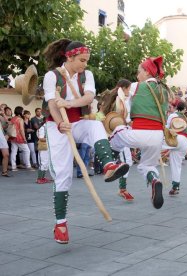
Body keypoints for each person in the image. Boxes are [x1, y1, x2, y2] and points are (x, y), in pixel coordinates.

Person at [42, 38, 129, 244]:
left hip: (77, 122)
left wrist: (69, 102)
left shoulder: (86, 75)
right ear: (69, 57)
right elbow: (52, 104)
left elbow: (89, 98)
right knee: (63, 175)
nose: (85, 64)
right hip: (56, 127)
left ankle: (109, 165)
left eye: (86, 60)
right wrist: (59, 122)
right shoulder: (51, 76)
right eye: (82, 60)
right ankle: (60, 224)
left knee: (95, 126)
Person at [109, 56, 173, 209]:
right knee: (147, 166)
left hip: (139, 132)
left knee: (116, 132)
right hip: (158, 137)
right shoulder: (165, 90)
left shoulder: (136, 86)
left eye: (139, 72)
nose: (137, 75)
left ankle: (111, 163)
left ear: (147, 72)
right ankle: (154, 181)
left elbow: (118, 94)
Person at [162, 100, 187, 195]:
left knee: (156, 142)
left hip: (177, 138)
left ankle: (147, 154)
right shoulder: (186, 119)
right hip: (185, 142)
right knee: (176, 165)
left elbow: (167, 127)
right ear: (185, 109)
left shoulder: (173, 115)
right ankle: (175, 186)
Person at [9, 106, 32, 171]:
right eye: (22, 111)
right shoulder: (20, 119)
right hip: (19, 137)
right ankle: (28, 165)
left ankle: (14, 167)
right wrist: (24, 139)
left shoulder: (13, 118)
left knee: (14, 152)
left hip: (13, 137)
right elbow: (22, 130)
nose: (23, 112)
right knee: (27, 150)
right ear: (20, 111)